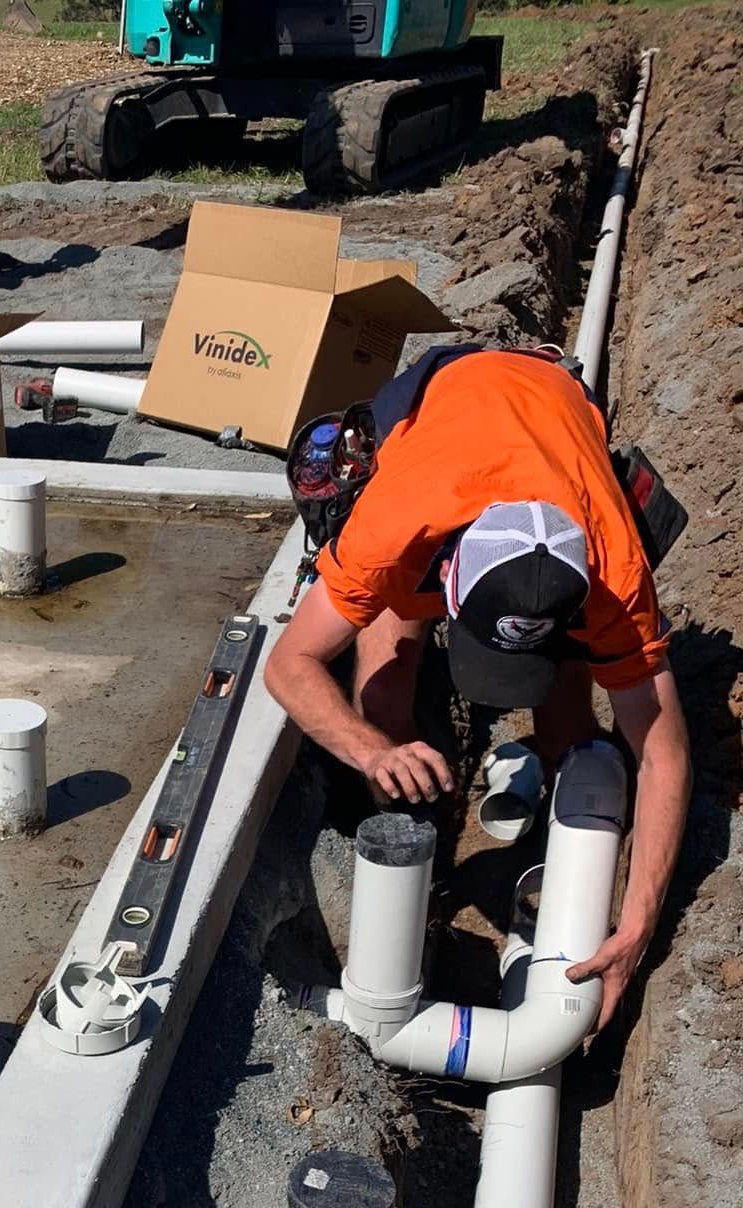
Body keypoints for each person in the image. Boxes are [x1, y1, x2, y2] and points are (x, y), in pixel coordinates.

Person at [264, 347, 691, 1033]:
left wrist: (634, 929)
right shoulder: (393, 529)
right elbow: (289, 664)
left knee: (569, 714)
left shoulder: (614, 574)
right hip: (443, 398)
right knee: (393, 658)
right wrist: (374, 754)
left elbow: (664, 751)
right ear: (450, 580)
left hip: (555, 405)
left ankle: (562, 830)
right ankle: (406, 840)